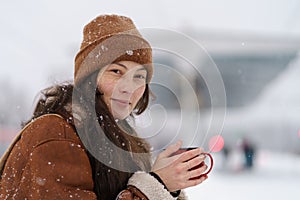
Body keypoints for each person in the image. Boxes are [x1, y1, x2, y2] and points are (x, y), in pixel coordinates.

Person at [0, 14, 208, 199]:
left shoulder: (122, 142)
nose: (128, 87)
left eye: (139, 77)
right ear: (89, 78)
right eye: (116, 72)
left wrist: (165, 185)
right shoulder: (56, 132)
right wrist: (155, 185)